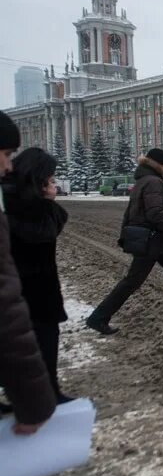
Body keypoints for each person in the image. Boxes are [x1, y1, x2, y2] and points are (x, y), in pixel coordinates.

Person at [86, 149, 163, 335]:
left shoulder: (144, 180)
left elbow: (132, 212)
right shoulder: (153, 182)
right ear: (158, 165)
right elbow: (155, 213)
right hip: (152, 240)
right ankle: (98, 318)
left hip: (158, 241)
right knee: (132, 281)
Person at [0, 113, 56, 476]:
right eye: (4, 153)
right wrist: (32, 403)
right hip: (32, 292)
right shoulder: (17, 210)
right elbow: (8, 320)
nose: (7, 164)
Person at [2, 148, 72, 403]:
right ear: (38, 179)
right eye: (51, 180)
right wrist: (48, 204)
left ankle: (46, 391)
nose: (54, 185)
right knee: (38, 340)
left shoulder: (15, 199)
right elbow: (42, 233)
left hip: (29, 286)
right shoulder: (25, 208)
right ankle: (43, 395)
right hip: (29, 287)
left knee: (37, 340)